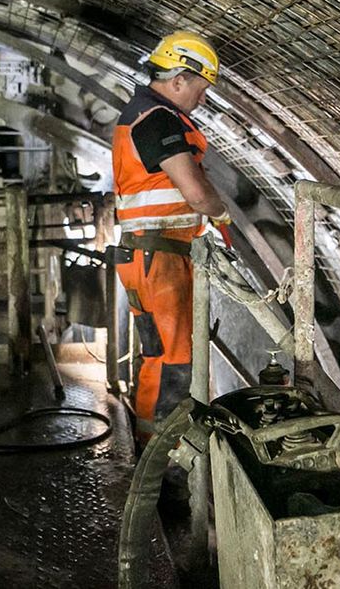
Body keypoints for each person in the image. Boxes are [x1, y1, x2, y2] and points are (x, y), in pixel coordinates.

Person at [111, 31, 231, 444]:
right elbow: (194, 191)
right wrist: (222, 214)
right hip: (157, 258)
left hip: (153, 255)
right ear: (178, 80)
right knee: (173, 361)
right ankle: (163, 467)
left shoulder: (148, 113)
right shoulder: (156, 118)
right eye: (200, 89)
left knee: (164, 356)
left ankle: (156, 458)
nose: (203, 99)